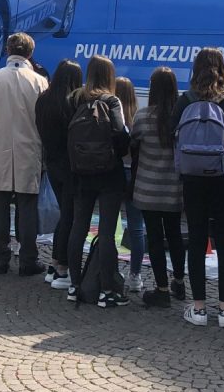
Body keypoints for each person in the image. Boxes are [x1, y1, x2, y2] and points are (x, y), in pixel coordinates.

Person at [168, 50, 224, 326]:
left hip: (193, 180)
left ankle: (199, 308)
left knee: (197, 238)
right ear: (223, 70)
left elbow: (172, 135)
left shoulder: (185, 101)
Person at [0, 32, 49, 276]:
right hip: (30, 149)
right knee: (27, 206)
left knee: (0, 204)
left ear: (8, 50)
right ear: (30, 53)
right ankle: (28, 258)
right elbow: (45, 121)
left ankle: (1, 256)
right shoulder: (40, 81)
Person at [65, 55, 131, 307]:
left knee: (78, 227)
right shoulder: (112, 100)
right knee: (106, 231)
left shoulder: (75, 99)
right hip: (108, 173)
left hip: (80, 173)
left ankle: (73, 284)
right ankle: (106, 290)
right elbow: (120, 132)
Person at [130, 67, 186, 309]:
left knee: (154, 237)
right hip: (174, 189)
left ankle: (161, 289)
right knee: (174, 235)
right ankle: (179, 281)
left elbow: (132, 148)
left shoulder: (142, 117)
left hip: (148, 189)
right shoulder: (181, 119)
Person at [36, 59, 83, 289]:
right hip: (72, 165)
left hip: (52, 163)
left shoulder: (44, 100)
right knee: (69, 216)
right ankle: (60, 266)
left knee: (65, 214)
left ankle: (55, 265)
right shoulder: (73, 102)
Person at [115, 75, 146, 294]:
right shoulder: (137, 120)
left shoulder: (111, 118)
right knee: (136, 228)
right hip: (135, 178)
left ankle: (109, 269)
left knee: (109, 226)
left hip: (114, 176)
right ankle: (135, 275)